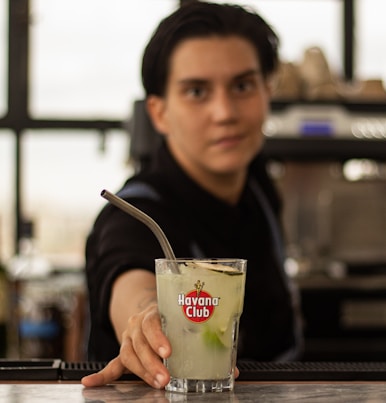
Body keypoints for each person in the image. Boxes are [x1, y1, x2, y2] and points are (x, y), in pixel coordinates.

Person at [81, 0, 302, 389]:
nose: (224, 112)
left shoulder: (258, 188)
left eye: (243, 86)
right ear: (159, 112)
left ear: (268, 91)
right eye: (197, 91)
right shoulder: (133, 214)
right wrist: (148, 319)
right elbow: (129, 282)